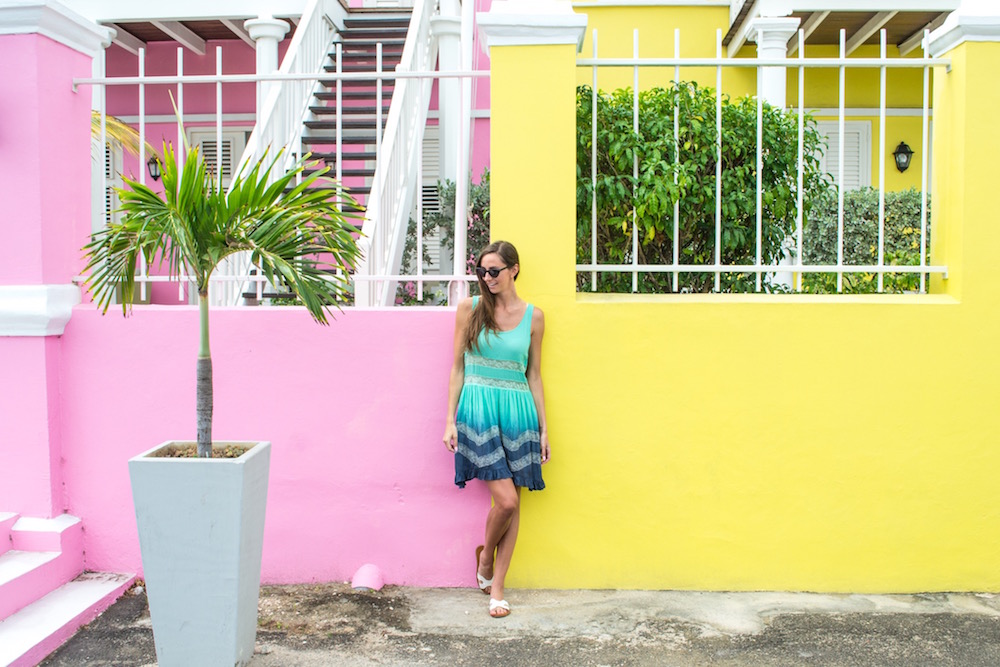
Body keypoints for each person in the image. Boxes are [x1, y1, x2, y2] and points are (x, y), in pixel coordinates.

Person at [443, 240, 550, 619]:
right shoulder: (469, 309)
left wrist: (544, 427)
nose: (487, 278)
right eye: (482, 272)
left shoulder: (534, 316)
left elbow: (533, 375)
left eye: (494, 271)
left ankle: (498, 587)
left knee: (514, 502)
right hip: (478, 409)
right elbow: (457, 367)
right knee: (506, 501)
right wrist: (449, 420)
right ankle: (485, 559)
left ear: (514, 269)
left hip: (518, 411)